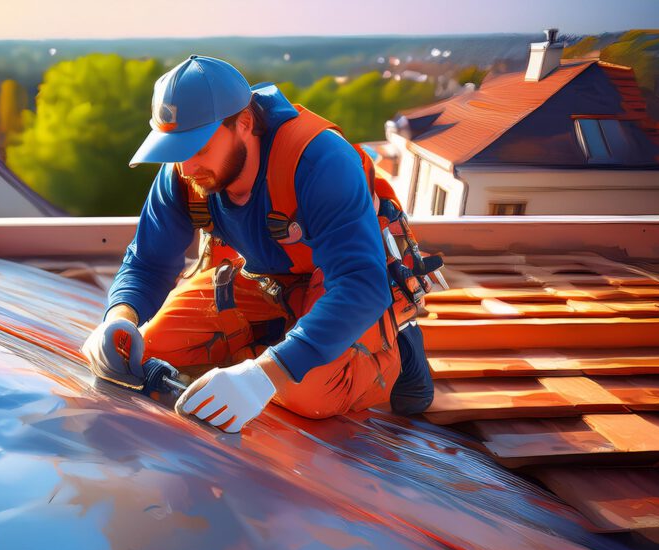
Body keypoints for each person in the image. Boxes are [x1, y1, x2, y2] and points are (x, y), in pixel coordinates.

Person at [82, 55, 434, 433]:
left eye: (198, 147)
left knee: (307, 393)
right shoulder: (185, 172)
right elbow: (147, 262)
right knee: (141, 352)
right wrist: (119, 319)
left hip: (341, 283)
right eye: (176, 150)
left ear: (245, 123)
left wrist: (262, 376)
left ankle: (399, 346)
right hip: (266, 279)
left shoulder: (320, 161)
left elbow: (359, 285)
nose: (186, 169)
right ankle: (284, 339)